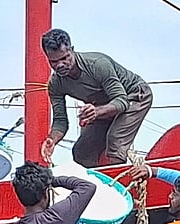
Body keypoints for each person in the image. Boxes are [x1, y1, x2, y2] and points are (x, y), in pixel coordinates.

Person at [40, 28, 153, 169]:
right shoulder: (56, 84)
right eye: (53, 62)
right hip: (102, 104)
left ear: (72, 50)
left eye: (64, 58)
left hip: (134, 97)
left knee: (115, 143)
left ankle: (116, 184)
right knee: (82, 151)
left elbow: (122, 101)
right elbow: (60, 121)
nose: (60, 65)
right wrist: (52, 139)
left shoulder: (97, 64)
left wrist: (97, 112)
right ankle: (92, 186)